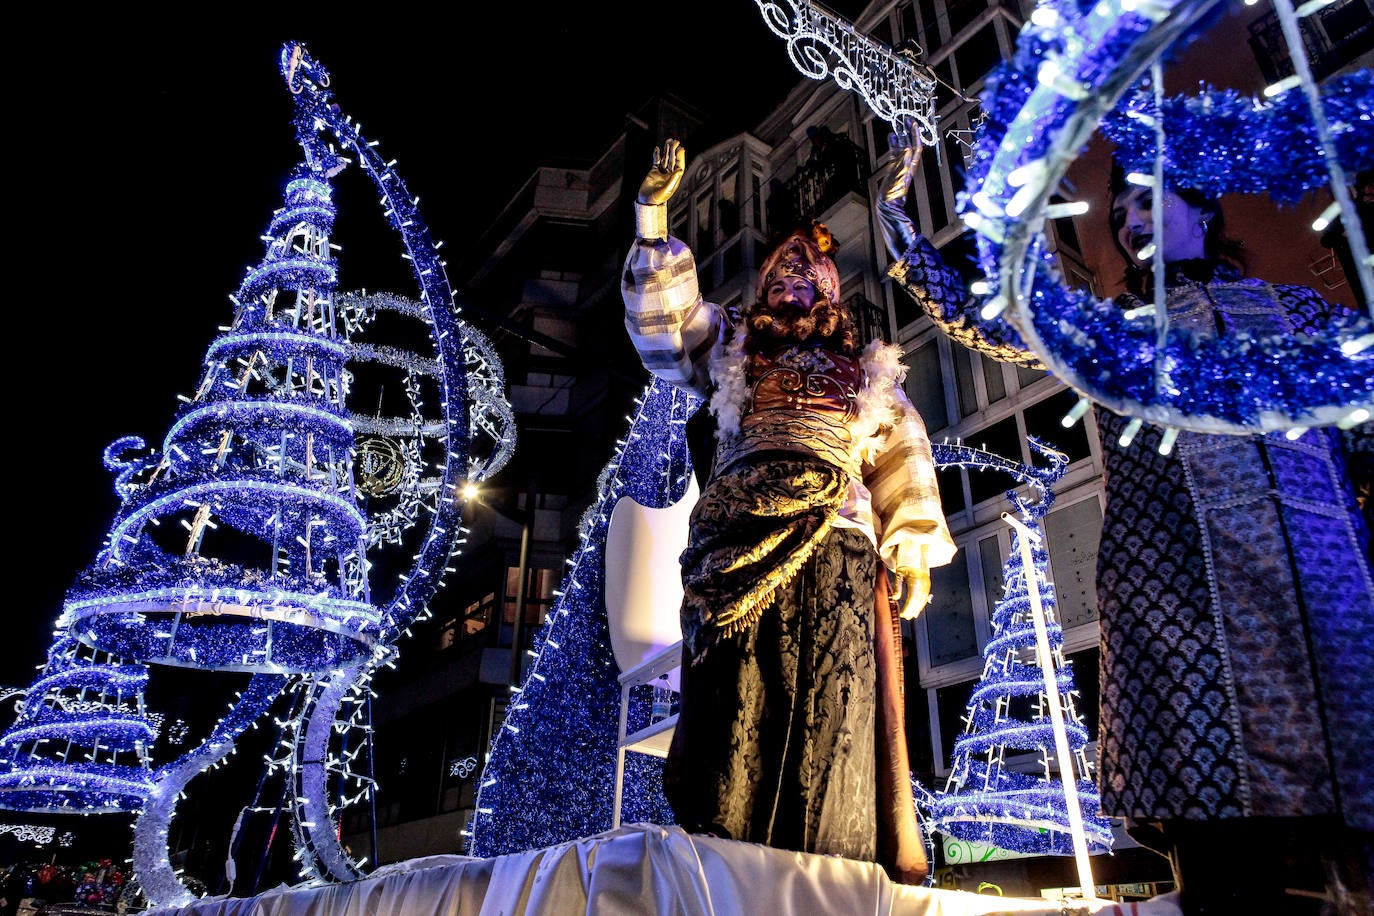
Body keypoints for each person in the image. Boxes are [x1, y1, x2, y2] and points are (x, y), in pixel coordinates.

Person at [878, 128, 1373, 914]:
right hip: (1185, 625)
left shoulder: (1296, 314)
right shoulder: (1108, 335)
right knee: (1229, 876)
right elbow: (992, 319)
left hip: (1322, 617)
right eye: (1122, 212)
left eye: (1150, 200)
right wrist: (897, 220)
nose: (1133, 222)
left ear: (1202, 210)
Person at [620, 137, 957, 884]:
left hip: (838, 547)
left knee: (834, 708)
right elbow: (664, 328)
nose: (794, 283)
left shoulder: (866, 370)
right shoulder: (733, 344)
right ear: (765, 286)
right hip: (736, 544)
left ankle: (829, 869)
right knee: (734, 698)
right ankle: (729, 860)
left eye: (810, 275)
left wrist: (911, 549)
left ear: (831, 292)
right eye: (782, 272)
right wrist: (652, 216)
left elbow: (905, 448)